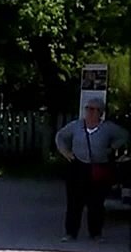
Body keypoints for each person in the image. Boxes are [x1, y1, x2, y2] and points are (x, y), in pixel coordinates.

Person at [55, 97, 128, 242]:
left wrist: (112, 148)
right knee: (74, 202)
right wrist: (66, 153)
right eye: (88, 109)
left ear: (101, 113)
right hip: (78, 166)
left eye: (95, 109)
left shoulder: (107, 127)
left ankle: (95, 233)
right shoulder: (76, 126)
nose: (91, 112)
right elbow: (60, 136)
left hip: (99, 168)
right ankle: (70, 232)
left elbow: (124, 136)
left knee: (96, 203)